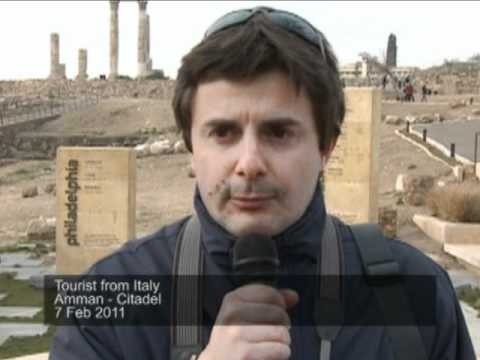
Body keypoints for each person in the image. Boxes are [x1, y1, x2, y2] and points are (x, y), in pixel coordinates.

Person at [49, 6, 475, 360]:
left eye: (278, 132)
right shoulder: (107, 302)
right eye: (223, 133)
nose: (249, 163)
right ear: (191, 148)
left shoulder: (416, 294)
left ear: (326, 146)